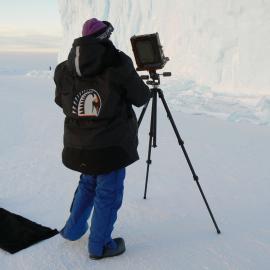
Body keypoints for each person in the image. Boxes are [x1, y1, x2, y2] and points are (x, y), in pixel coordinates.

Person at [53, 18, 150, 259]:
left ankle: (73, 230)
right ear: (105, 37)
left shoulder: (64, 68)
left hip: (78, 146)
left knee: (88, 182)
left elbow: (60, 101)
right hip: (111, 147)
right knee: (108, 191)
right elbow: (140, 97)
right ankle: (99, 246)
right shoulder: (118, 63)